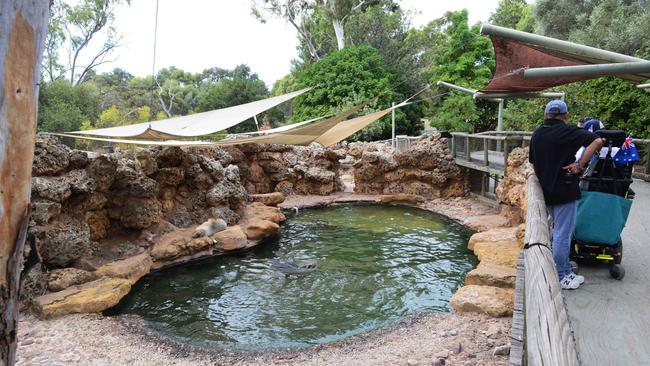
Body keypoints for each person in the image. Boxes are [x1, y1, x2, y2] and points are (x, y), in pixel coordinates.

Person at [529, 100, 604, 290]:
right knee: (563, 234)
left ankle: (563, 269)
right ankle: (562, 275)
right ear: (565, 116)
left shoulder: (537, 134)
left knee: (559, 232)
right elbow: (597, 141)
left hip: (546, 191)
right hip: (565, 188)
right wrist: (580, 164)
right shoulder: (569, 131)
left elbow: (532, 161)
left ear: (546, 114)